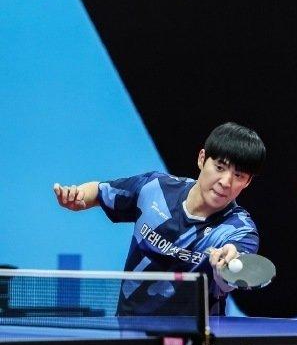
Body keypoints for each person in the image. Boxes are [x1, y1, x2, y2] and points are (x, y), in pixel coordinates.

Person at [53, 122, 266, 316]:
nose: (226, 182)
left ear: (247, 182)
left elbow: (235, 263)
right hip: (130, 331)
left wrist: (227, 262)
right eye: (219, 167)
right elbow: (100, 191)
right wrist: (78, 196)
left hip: (195, 338)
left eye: (239, 176)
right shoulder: (155, 188)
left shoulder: (239, 229)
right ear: (202, 159)